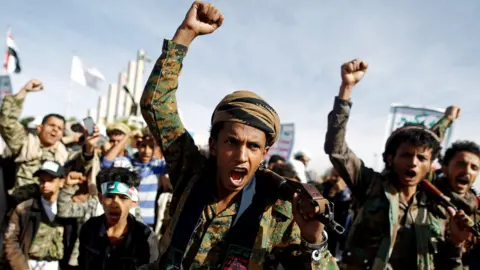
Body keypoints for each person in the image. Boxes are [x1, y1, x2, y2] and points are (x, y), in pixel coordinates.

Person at [140, 2, 337, 269]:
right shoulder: (191, 171)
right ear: (214, 144)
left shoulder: (277, 210)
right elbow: (156, 106)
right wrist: (186, 33)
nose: (241, 156)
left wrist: (314, 240)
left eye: (253, 146)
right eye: (232, 142)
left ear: (264, 154)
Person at [324, 58, 471, 269]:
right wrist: (346, 89)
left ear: (430, 165)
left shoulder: (435, 200)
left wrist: (447, 120)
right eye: (405, 155)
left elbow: (430, 142)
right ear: (391, 159)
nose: (413, 162)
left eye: (421, 159)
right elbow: (336, 149)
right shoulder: (370, 184)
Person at [77, 167, 158, 270]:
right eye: (110, 196)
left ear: (133, 201)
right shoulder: (89, 229)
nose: (115, 204)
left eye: (123, 198)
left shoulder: (145, 237)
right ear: (101, 198)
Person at [3, 160, 77, 270]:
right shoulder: (24, 209)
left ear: (62, 182)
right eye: (42, 180)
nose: (45, 185)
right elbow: (11, 241)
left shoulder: (71, 210)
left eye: (51, 180)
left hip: (57, 265)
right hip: (29, 264)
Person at [433, 140, 480, 267]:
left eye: (474, 168)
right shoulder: (426, 200)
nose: (467, 171)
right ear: (445, 168)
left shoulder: (477, 210)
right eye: (461, 164)